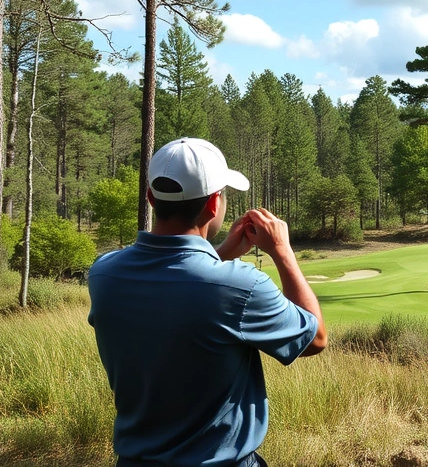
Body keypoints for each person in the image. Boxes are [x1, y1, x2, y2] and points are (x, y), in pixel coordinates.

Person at [88, 137, 327, 467]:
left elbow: (172, 282)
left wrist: (221, 253)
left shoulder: (103, 274)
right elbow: (315, 339)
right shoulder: (242, 286)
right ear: (214, 204)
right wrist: (282, 252)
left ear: (151, 198)